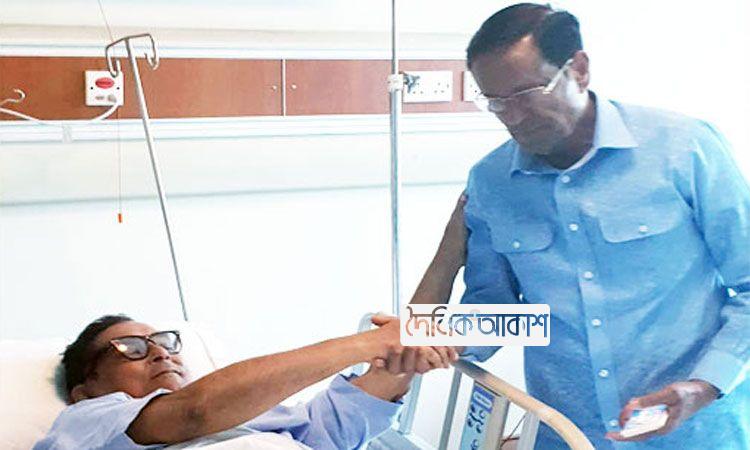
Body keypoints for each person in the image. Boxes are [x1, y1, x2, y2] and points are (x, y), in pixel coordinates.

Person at [443, 3, 749, 449]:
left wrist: (705, 384)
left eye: (526, 94)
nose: (513, 117)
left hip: (697, 431)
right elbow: (503, 312)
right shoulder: (492, 183)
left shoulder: (684, 150)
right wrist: (427, 337)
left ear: (579, 70)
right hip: (568, 435)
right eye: (496, 102)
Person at [33, 312, 458, 450]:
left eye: (163, 342)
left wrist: (397, 357)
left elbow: (331, 427)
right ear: (83, 390)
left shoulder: (252, 418)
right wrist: (364, 343)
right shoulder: (83, 422)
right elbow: (194, 411)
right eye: (131, 348)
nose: (160, 353)